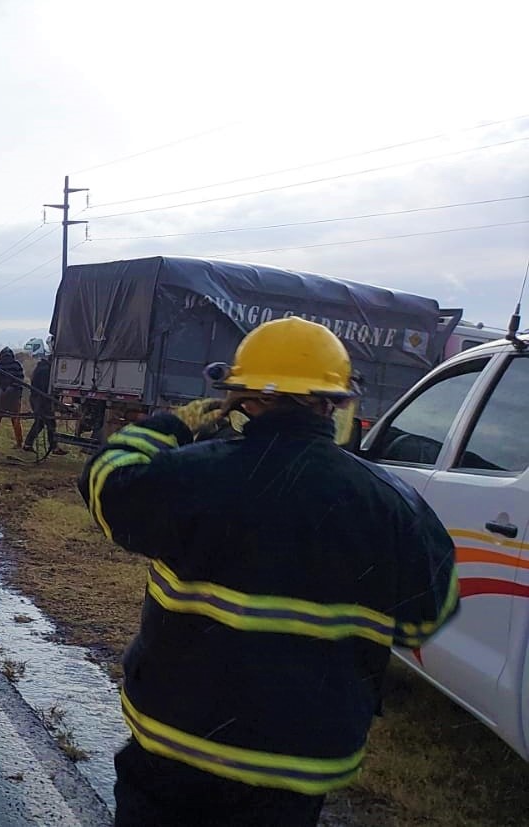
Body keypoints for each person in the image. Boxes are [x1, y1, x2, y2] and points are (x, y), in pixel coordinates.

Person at [79, 317, 458, 826]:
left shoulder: (193, 475)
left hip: (175, 747)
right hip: (298, 767)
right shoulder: (396, 507)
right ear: (336, 404)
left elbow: (105, 482)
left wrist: (176, 424)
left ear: (241, 399)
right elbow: (422, 622)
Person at [0, 347, 26, 448]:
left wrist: (2, 391)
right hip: (11, 395)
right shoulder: (16, 365)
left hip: (7, 394)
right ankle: (18, 442)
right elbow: (20, 382)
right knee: (14, 419)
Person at [21, 353, 58, 453]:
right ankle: (54, 447)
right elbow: (44, 388)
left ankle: (28, 444)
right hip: (41, 400)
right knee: (50, 422)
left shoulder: (41, 368)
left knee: (40, 422)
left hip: (37, 399)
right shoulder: (46, 371)